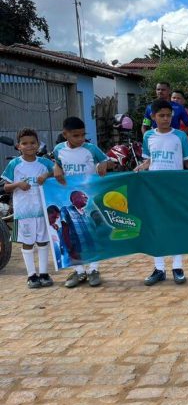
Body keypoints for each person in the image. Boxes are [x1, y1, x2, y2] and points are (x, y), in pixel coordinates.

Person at [135, 99, 188, 285]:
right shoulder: (148, 137)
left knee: (175, 226)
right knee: (157, 227)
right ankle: (159, 268)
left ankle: (177, 267)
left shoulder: (180, 136)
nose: (165, 119)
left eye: (168, 115)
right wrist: (141, 167)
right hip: (154, 190)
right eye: (161, 116)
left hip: (175, 189)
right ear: (153, 117)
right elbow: (148, 161)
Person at [52, 116, 112, 288]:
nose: (80, 139)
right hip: (68, 198)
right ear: (65, 135)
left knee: (93, 231)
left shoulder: (91, 149)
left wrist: (104, 164)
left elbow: (106, 160)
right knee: (72, 235)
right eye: (75, 136)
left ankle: (94, 269)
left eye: (82, 135)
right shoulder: (58, 150)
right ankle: (79, 271)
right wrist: (56, 167)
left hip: (90, 198)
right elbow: (57, 165)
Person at [1, 128, 55, 289]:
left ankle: (44, 273)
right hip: (23, 212)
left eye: (33, 143)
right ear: (18, 146)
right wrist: (18, 184)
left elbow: (58, 171)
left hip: (42, 210)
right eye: (25, 143)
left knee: (43, 241)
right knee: (27, 243)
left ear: (38, 145)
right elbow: (6, 187)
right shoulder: (14, 164)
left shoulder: (44, 163)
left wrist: (46, 176)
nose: (29, 146)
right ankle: (31, 275)